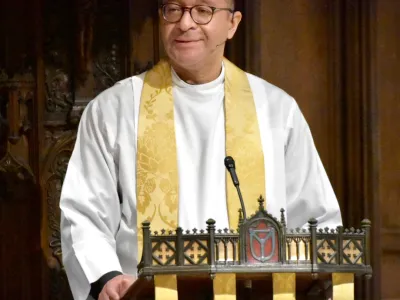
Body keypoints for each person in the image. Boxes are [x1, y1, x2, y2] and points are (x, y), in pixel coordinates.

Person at [60, 0, 342, 299]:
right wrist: (108, 278)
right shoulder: (113, 109)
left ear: (232, 24)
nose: (185, 23)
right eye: (174, 9)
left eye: (202, 10)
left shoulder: (275, 111)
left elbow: (316, 222)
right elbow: (84, 214)